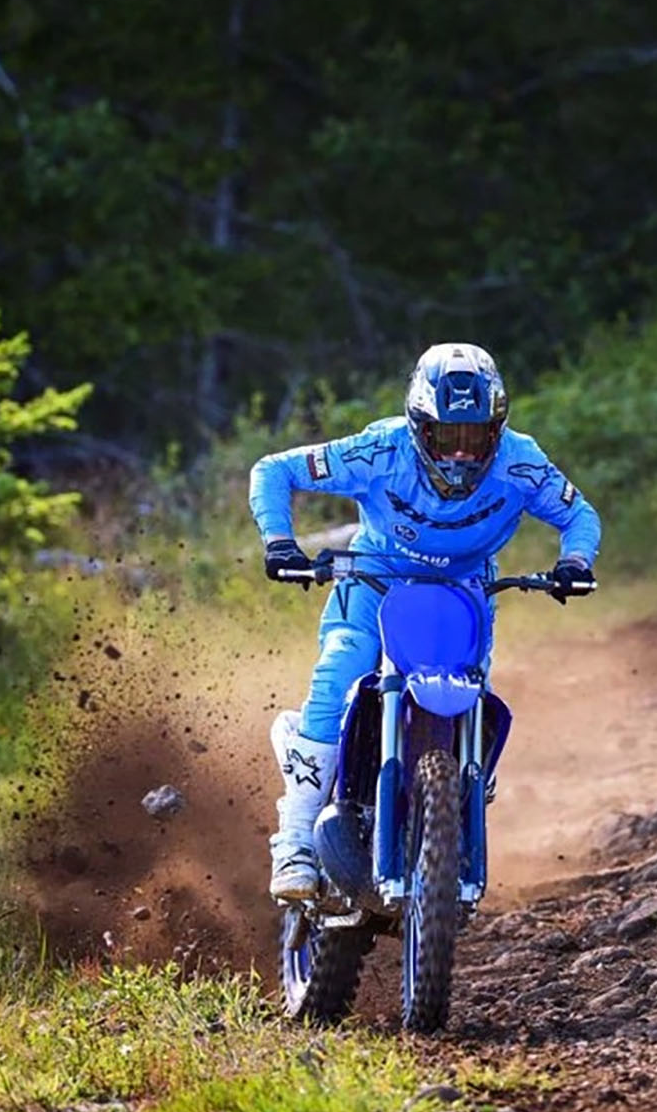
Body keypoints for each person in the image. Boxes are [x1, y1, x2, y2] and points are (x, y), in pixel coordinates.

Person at [247, 342, 600, 901]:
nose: (461, 456)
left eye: (476, 437)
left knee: (469, 697)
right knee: (341, 670)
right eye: (446, 437)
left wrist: (575, 562)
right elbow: (275, 470)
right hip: (374, 581)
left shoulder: (522, 461)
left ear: (497, 429)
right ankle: (294, 840)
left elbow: (578, 513)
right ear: (418, 426)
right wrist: (279, 542)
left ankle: (456, 806)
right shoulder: (378, 450)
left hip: (463, 594)